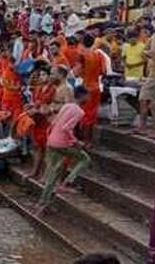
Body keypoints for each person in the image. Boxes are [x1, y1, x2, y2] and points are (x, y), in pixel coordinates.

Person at [37, 86, 92, 214]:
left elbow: (53, 123)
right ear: (83, 96)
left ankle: (42, 202)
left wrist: (50, 138)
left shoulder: (67, 106)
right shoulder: (79, 111)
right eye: (87, 96)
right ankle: (68, 182)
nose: (89, 98)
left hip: (52, 141)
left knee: (53, 173)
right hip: (62, 143)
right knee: (85, 159)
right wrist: (77, 142)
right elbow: (67, 128)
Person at [80, 34, 106, 146]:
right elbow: (102, 72)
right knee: (92, 114)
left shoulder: (83, 55)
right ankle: (89, 140)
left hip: (86, 86)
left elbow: (78, 71)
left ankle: (85, 140)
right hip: (96, 86)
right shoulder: (98, 55)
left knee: (85, 115)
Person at [139, 15, 155, 137]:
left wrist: (154, 56)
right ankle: (142, 127)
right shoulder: (154, 37)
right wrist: (151, 56)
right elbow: (144, 52)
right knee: (143, 99)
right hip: (152, 74)